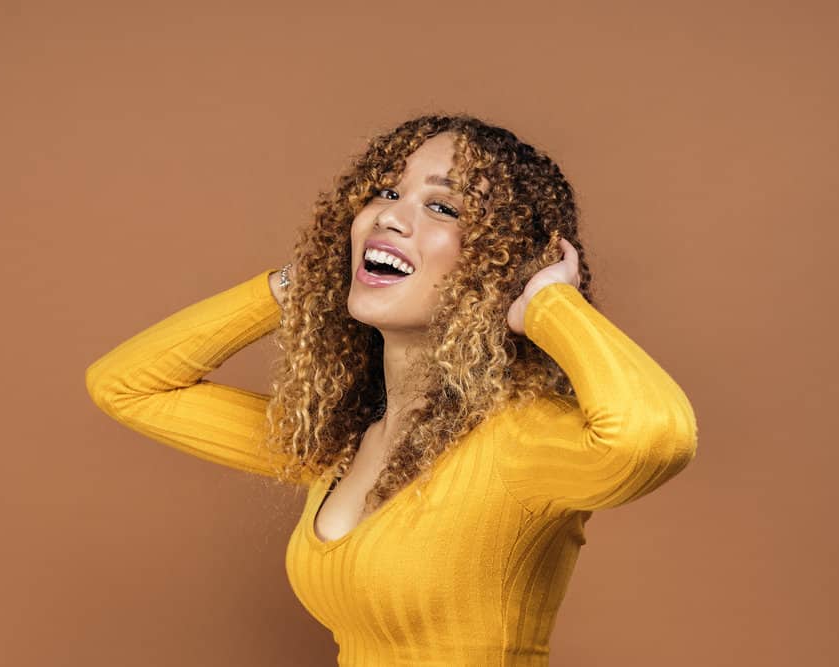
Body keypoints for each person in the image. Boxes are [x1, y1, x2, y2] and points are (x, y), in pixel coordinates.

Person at [85, 113, 698, 665]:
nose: (388, 215)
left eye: (443, 208)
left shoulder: (519, 440)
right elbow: (128, 387)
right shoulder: (336, 443)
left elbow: (655, 438)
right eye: (385, 192)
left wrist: (548, 303)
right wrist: (296, 285)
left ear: (499, 262)